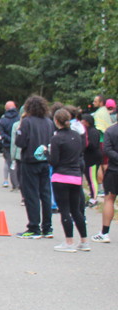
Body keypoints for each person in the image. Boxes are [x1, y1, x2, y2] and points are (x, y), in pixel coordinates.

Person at [48, 108, 90, 252]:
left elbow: (54, 161)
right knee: (76, 210)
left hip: (61, 177)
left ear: (56, 121)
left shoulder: (56, 138)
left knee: (64, 210)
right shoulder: (77, 136)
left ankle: (69, 242)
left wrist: (46, 153)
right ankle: (84, 241)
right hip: (76, 176)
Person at [15, 94, 55, 239]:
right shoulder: (49, 122)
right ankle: (47, 227)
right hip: (45, 160)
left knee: (31, 195)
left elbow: (20, 142)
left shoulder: (27, 122)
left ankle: (34, 227)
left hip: (30, 161)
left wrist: (19, 129)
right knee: (45, 194)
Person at [92, 115, 118, 243]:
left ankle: (104, 232)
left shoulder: (110, 131)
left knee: (109, 199)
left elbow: (107, 150)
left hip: (114, 170)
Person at [0, 101, 20, 190]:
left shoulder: (2, 120)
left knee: (10, 163)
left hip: (7, 145)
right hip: (19, 144)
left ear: (6, 109)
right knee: (19, 163)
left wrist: (10, 140)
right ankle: (19, 182)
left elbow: (2, 134)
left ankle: (13, 183)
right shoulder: (19, 118)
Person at [81, 114, 103, 204]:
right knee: (89, 178)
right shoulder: (86, 131)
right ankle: (92, 194)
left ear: (87, 122)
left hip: (93, 158)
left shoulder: (93, 132)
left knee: (92, 177)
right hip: (88, 158)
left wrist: (84, 143)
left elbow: (93, 145)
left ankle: (94, 198)